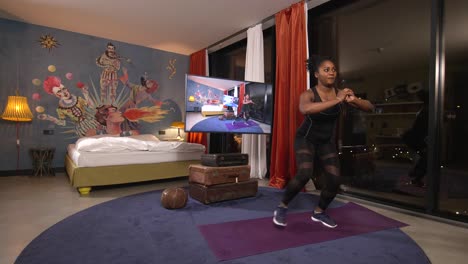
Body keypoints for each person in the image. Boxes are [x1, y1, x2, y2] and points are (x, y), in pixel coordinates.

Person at [273, 56, 374, 228]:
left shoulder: (341, 93)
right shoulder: (309, 94)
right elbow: (305, 109)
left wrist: (353, 99)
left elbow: (370, 107)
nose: (331, 72)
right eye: (326, 69)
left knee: (335, 180)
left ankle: (319, 212)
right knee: (305, 173)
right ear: (316, 75)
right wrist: (337, 100)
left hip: (326, 141)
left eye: (333, 69)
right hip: (306, 138)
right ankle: (282, 207)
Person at [401, 89, 428, 187]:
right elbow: (419, 127)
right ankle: (416, 175)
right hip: (416, 137)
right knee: (426, 158)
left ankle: (416, 174)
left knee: (425, 158)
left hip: (416, 137)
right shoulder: (425, 109)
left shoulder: (425, 109)